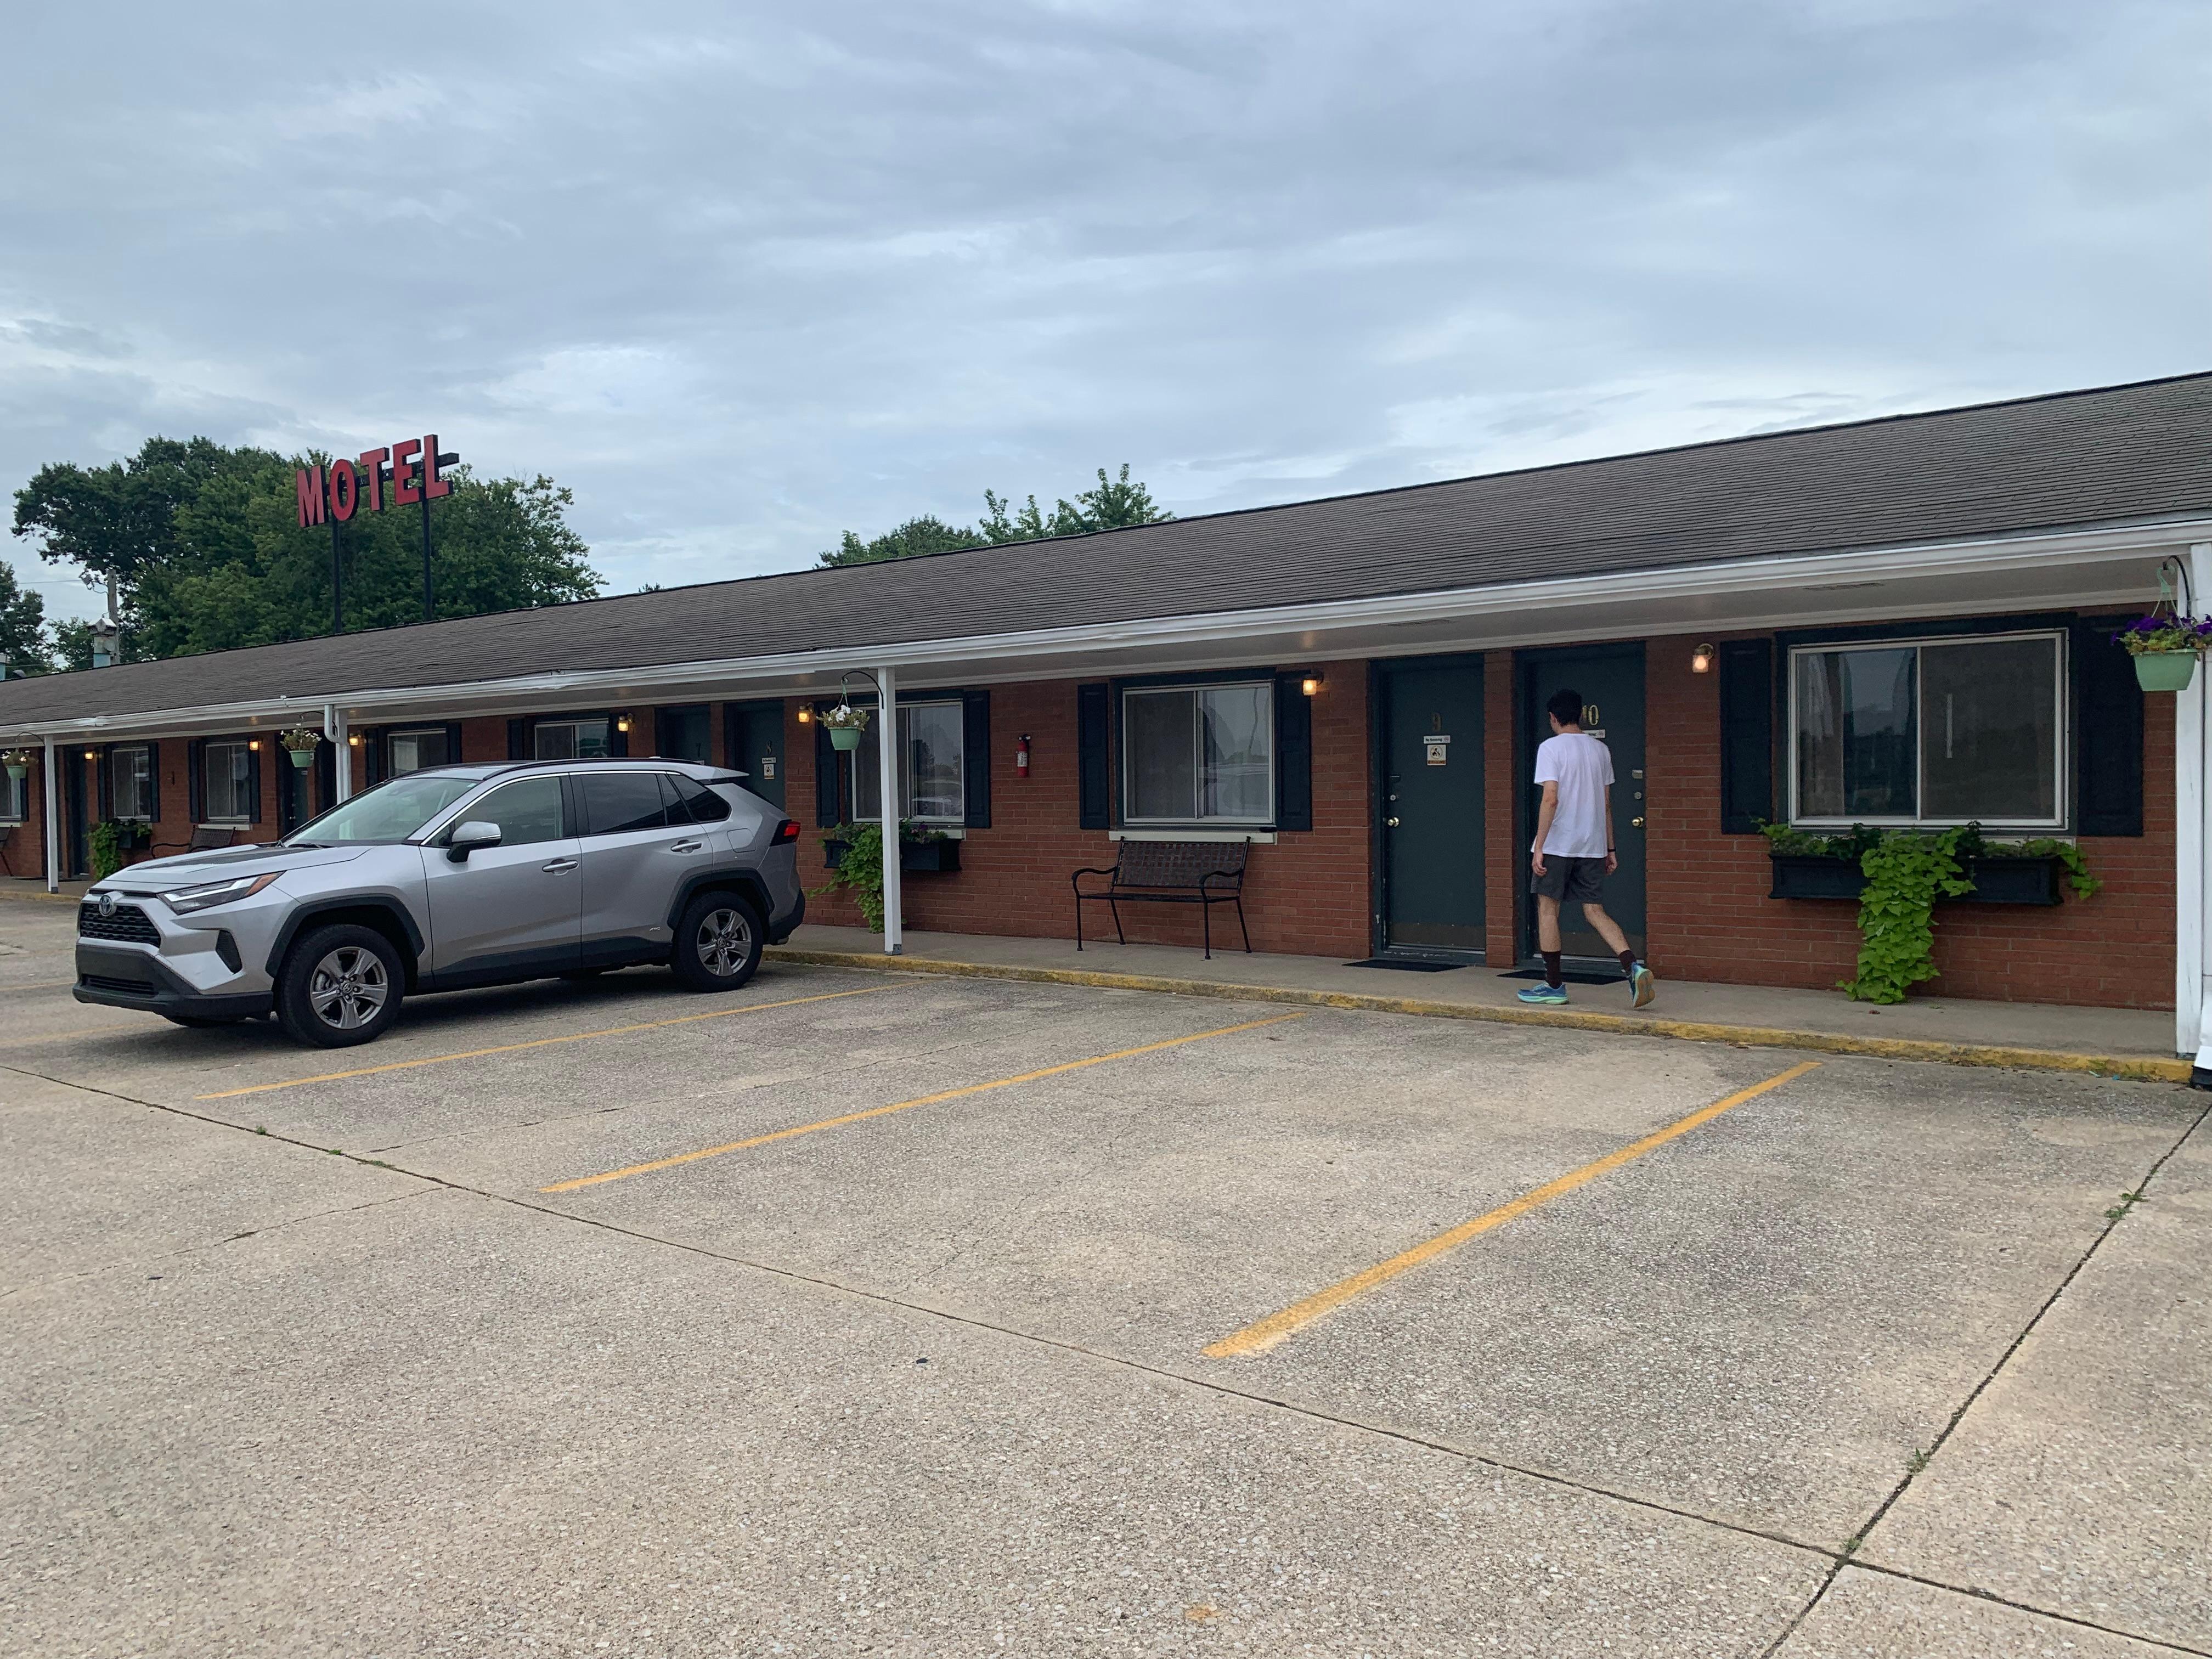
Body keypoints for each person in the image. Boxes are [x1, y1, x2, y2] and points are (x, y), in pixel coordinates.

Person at [1516, 687, 1655, 1008]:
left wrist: (1539, 846)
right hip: (1592, 845)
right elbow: (1606, 804)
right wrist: (1611, 848)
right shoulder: (1600, 751)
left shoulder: (1550, 748)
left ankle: (1554, 986)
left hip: (1559, 844)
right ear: (1580, 715)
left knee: (1548, 910)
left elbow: (1550, 797)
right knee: (1594, 911)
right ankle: (1633, 967)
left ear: (1553, 718)